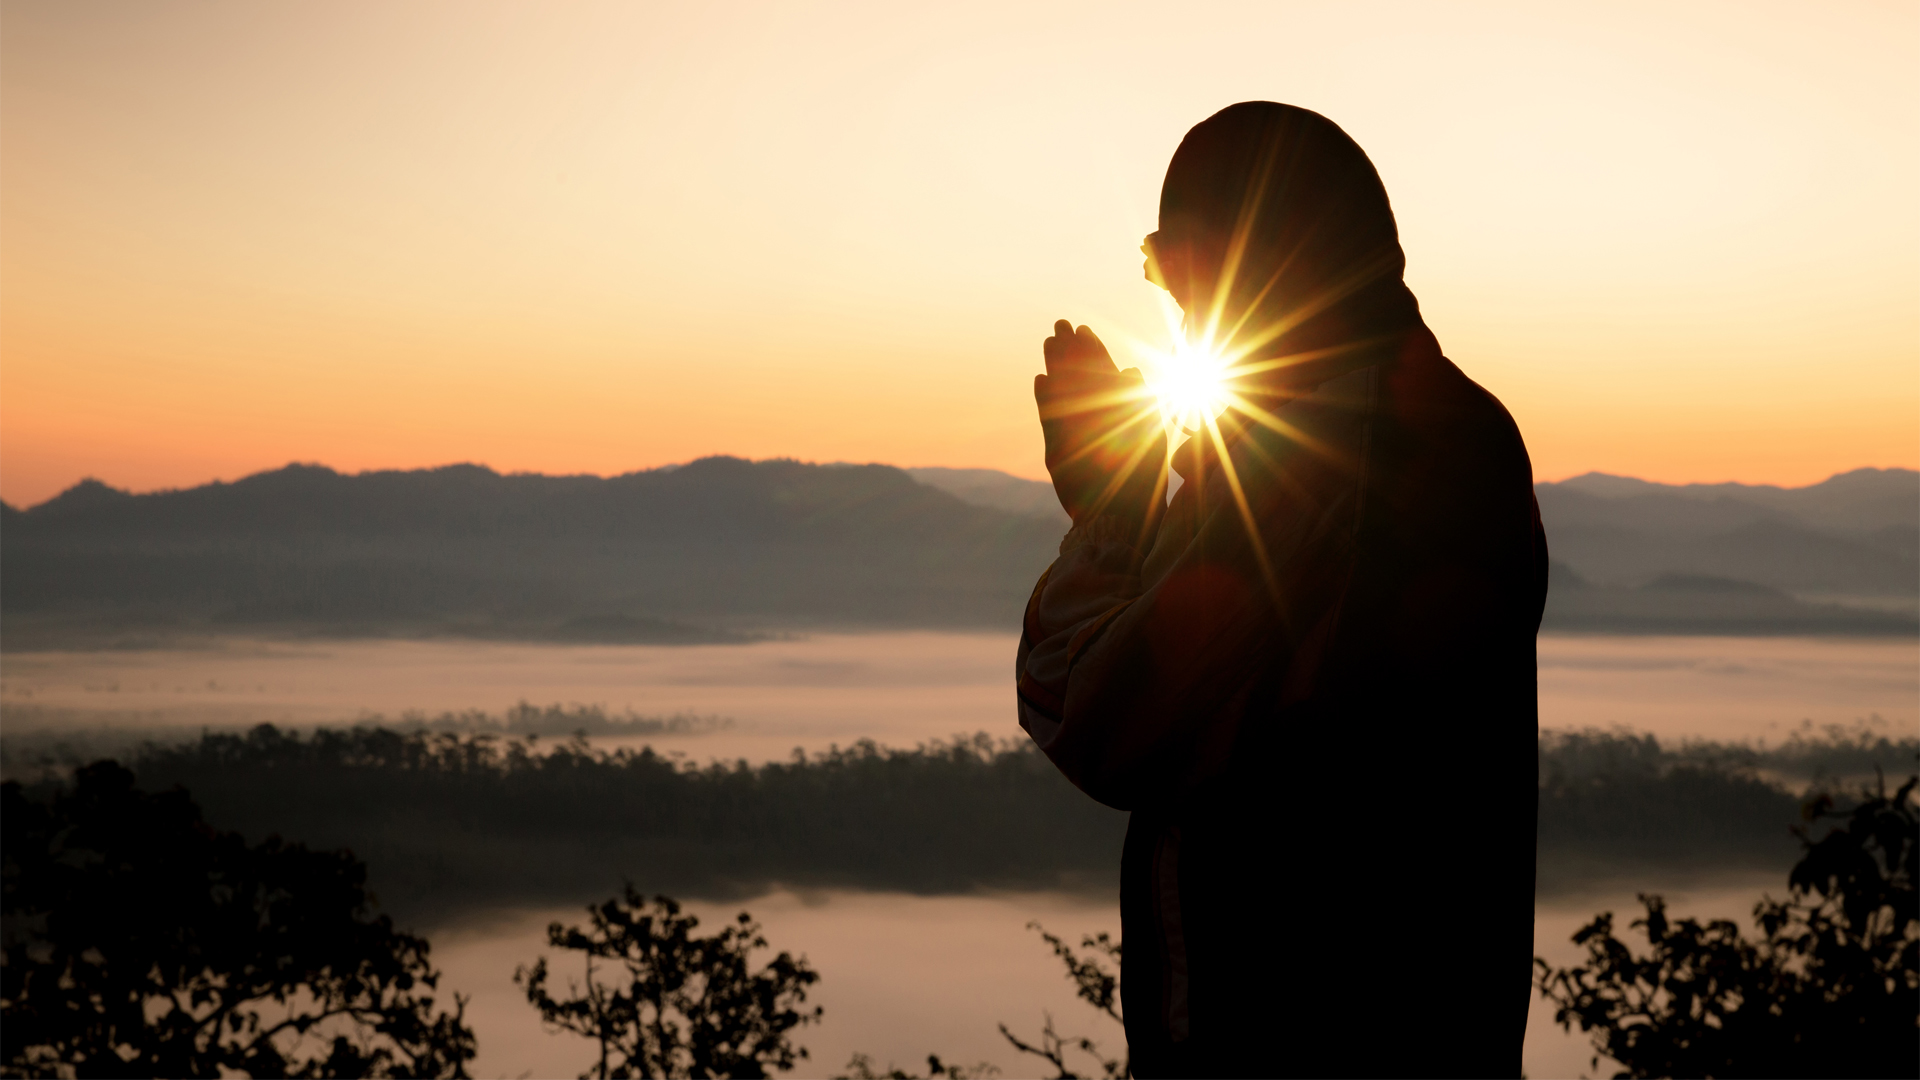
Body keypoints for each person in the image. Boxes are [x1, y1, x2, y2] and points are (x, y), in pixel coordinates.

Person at [1016, 102, 1548, 1077]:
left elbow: (1101, 714)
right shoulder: (1442, 426)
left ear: (1245, 260)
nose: (1175, 303)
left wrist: (1107, 511)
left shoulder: (1332, 458)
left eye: (1172, 264)